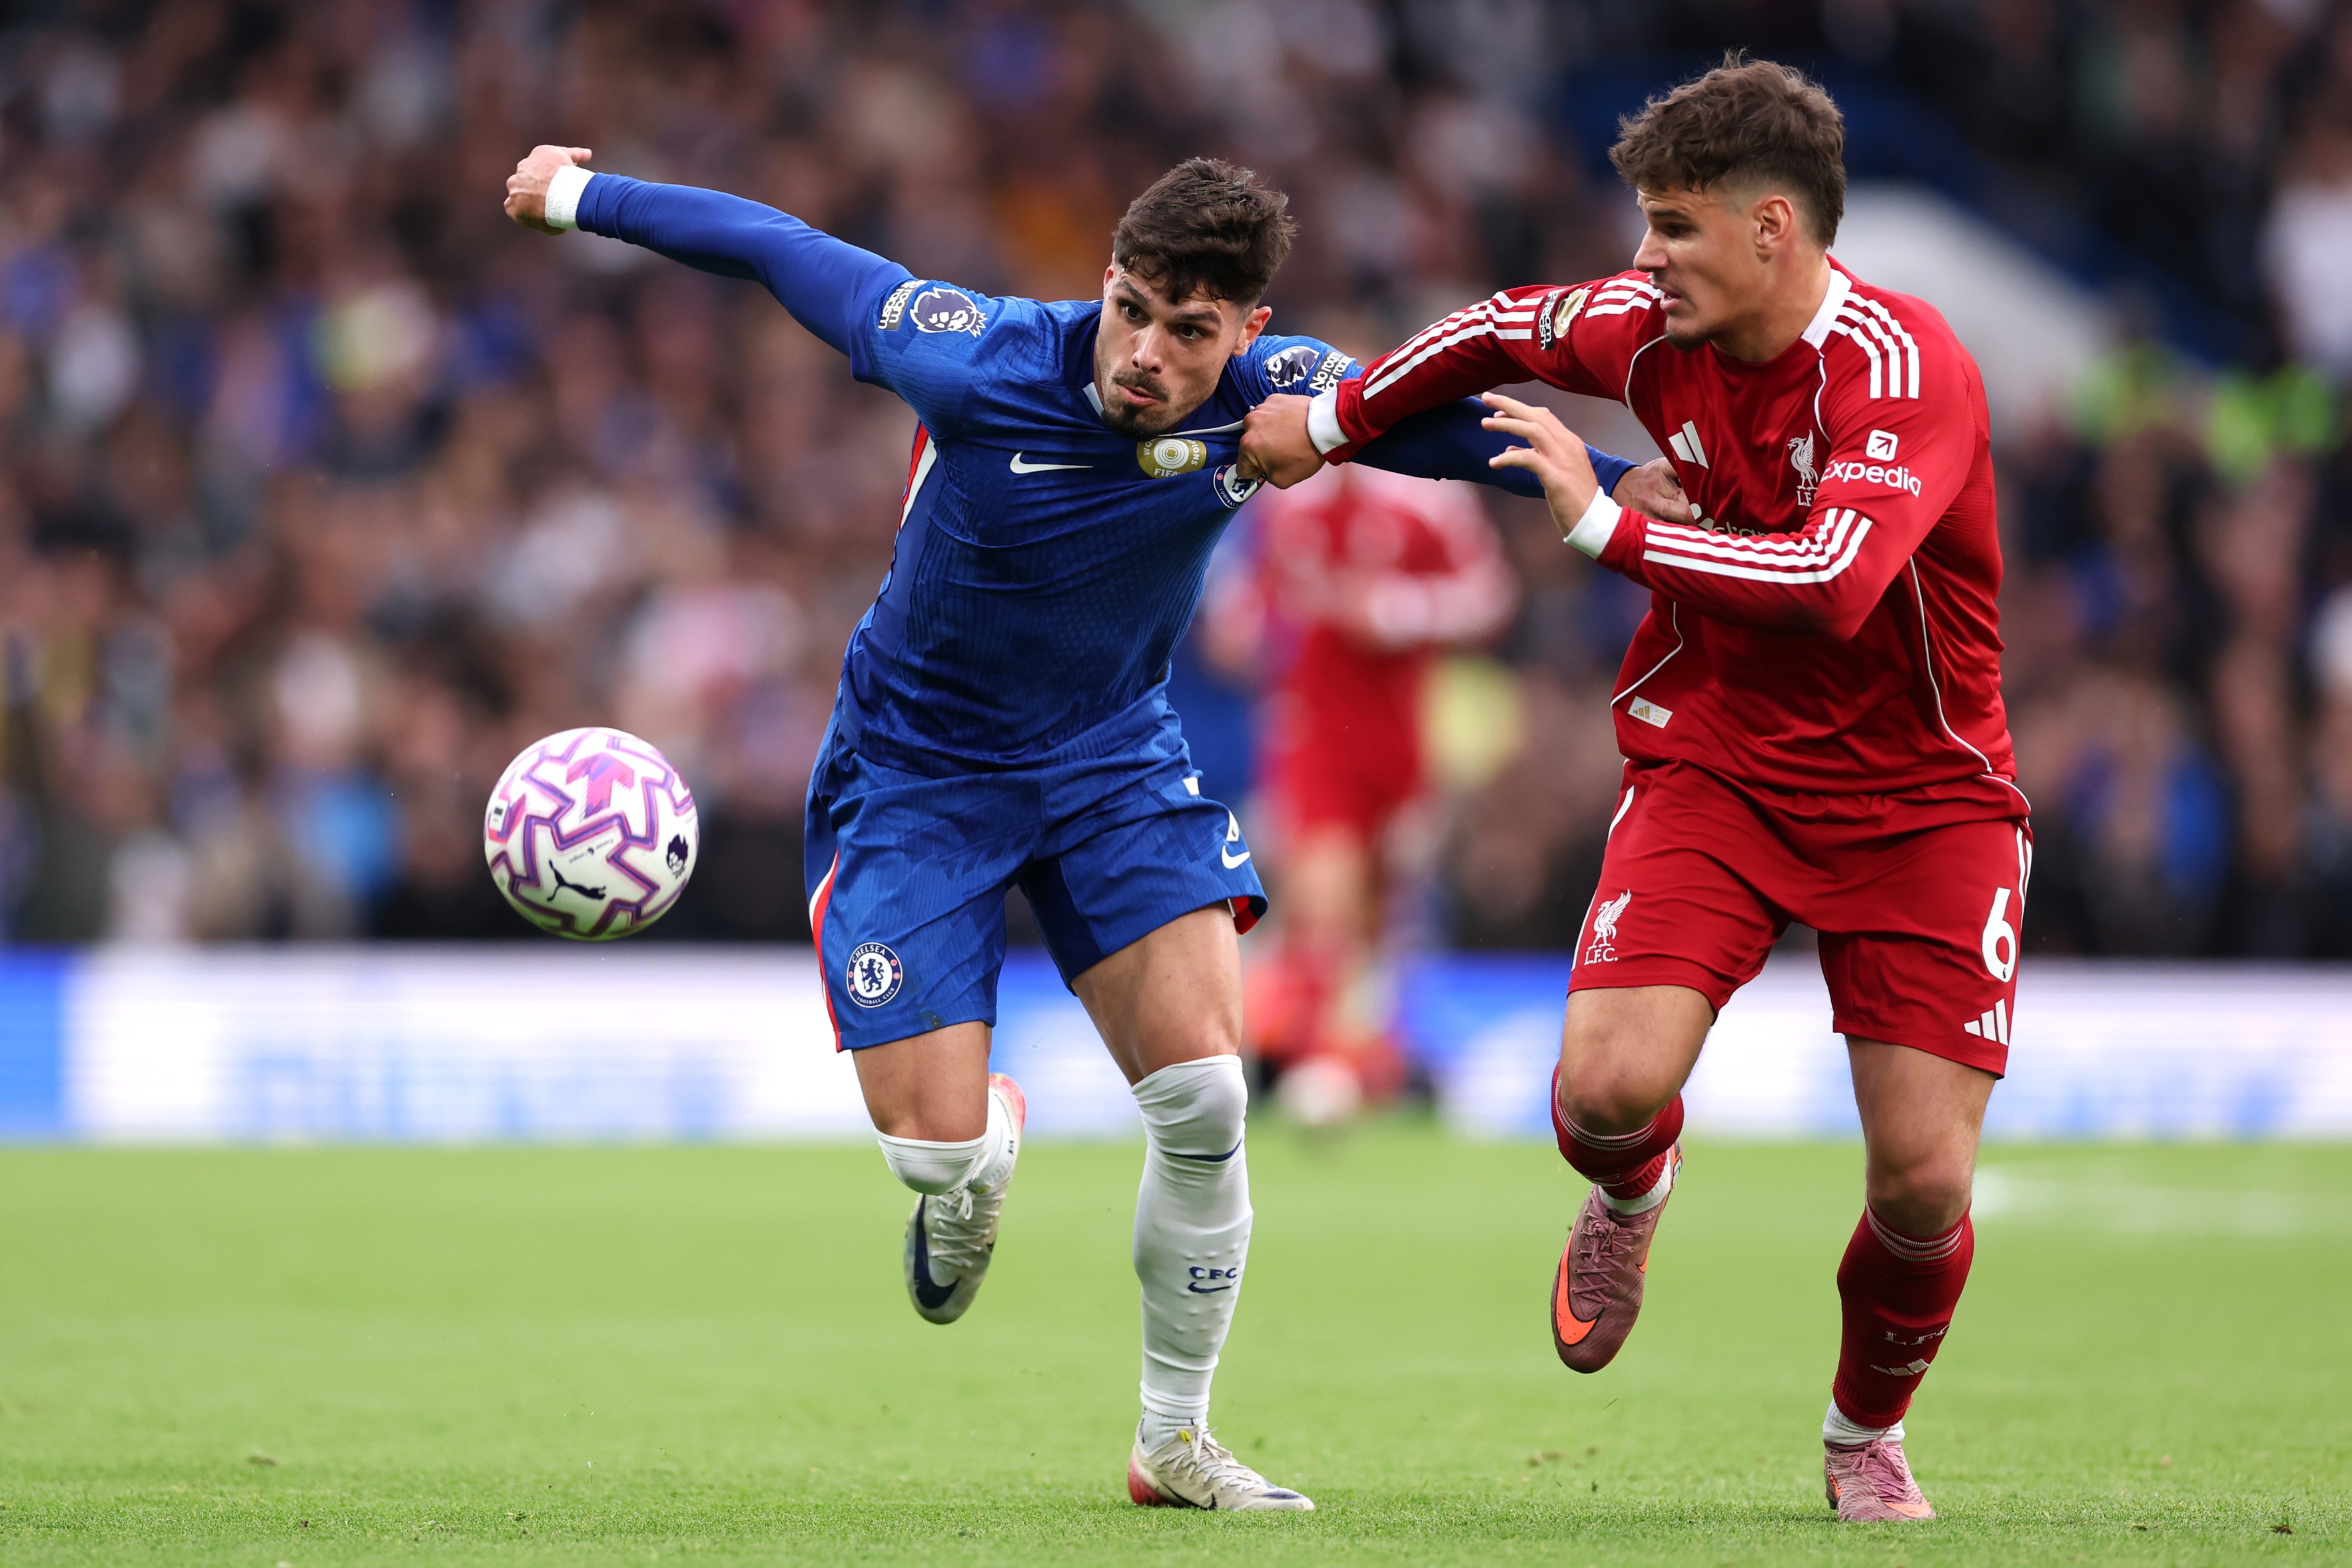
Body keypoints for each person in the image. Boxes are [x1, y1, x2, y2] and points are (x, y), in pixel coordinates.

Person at [504, 147, 1664, 1510]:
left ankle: (1172, 1440)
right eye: (1133, 310)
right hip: (916, 774)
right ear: (1104, 286)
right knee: (929, 1148)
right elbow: (780, 246)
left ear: (1243, 332)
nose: (1149, 355)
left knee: (1207, 1099)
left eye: (1190, 331)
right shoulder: (976, 356)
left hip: (1111, 757)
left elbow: (1441, 421)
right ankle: (976, 1148)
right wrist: (583, 198)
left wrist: (1604, 477)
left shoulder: (1276, 395)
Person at [1242, 58, 2028, 1524]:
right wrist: (1338, 423)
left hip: (1925, 802)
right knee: (1601, 1093)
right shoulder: (1645, 324)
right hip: (1715, 762)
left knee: (1921, 1182)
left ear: (1773, 231)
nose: (1642, 259)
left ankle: (1863, 1431)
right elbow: (1492, 329)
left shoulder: (1904, 371)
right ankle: (1630, 1195)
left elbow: (1833, 584)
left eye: (1672, 228)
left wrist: (1601, 521)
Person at [1242, 463, 1516, 1120]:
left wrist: (1396, 611)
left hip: (1398, 734)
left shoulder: (1431, 493)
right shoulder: (1281, 492)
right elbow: (1246, 605)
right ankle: (1310, 1058)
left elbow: (1491, 595)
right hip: (1312, 727)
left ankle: (1352, 1056)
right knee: (1323, 891)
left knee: (1379, 908)